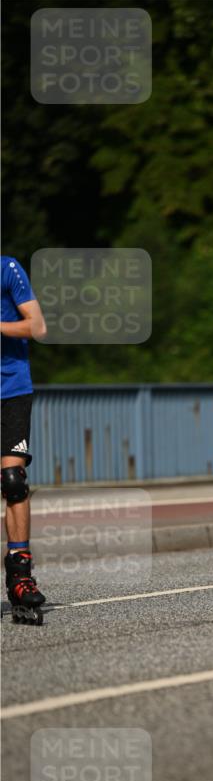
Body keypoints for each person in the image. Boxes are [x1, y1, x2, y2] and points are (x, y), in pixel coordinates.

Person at [1, 255, 47, 623]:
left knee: (13, 481)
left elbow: (37, 326)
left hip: (11, 389)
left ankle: (21, 575)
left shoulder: (7, 268)